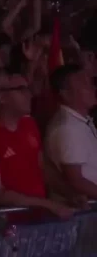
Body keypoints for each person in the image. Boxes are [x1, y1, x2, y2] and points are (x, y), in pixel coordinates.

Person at [0, 72, 77, 218]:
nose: (29, 95)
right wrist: (49, 204)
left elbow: (43, 167)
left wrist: (70, 194)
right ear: (1, 97)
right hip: (6, 230)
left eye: (28, 89)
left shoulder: (29, 123)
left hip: (38, 221)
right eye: (21, 89)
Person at [46, 64, 97, 199]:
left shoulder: (80, 121)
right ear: (66, 94)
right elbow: (76, 181)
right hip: (84, 213)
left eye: (90, 83)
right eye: (84, 84)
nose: (92, 88)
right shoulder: (68, 128)